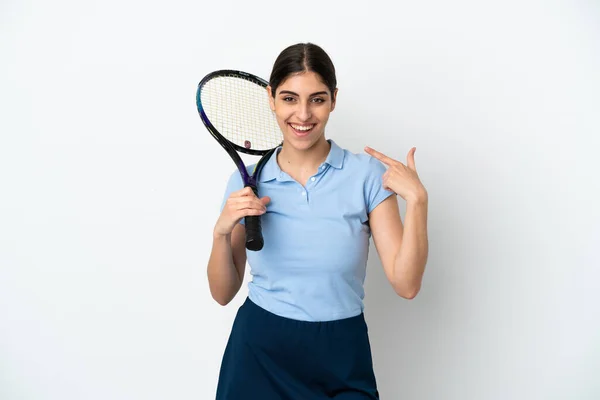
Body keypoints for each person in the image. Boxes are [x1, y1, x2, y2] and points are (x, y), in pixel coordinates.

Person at [207, 42, 429, 399]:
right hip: (259, 354)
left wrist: (418, 201)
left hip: (340, 354)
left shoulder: (367, 176)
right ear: (271, 98)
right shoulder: (247, 182)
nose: (303, 114)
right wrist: (221, 232)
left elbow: (407, 285)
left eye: (318, 99)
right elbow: (222, 294)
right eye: (290, 98)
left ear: (334, 99)